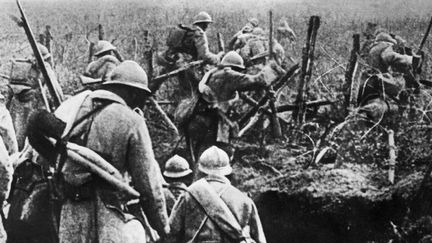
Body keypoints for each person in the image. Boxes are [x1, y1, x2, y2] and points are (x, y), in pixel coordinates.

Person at [27, 60, 170, 242]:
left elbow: (38, 127)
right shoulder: (132, 121)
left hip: (71, 215)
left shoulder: (77, 107)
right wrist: (162, 227)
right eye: (142, 96)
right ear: (132, 92)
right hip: (109, 218)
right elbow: (148, 186)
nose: (142, 102)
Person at [181, 51, 284, 158]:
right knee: (221, 154)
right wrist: (273, 67)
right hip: (216, 124)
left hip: (199, 118)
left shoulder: (212, 73)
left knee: (201, 152)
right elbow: (258, 80)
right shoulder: (229, 75)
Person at [166, 146, 266, 243]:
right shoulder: (245, 200)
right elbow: (259, 238)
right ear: (227, 170)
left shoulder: (188, 195)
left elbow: (171, 234)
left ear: (201, 169)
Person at [7, 43, 64, 150]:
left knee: (17, 135)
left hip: (18, 106)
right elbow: (55, 90)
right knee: (31, 136)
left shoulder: (21, 67)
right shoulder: (44, 69)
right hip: (34, 105)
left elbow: (9, 92)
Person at [153, 11, 223, 96]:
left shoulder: (186, 30)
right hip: (186, 65)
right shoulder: (200, 33)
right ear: (204, 24)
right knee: (198, 90)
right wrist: (217, 58)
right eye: (207, 24)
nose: (207, 27)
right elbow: (204, 55)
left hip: (172, 60)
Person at [357, 32, 421, 121]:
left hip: (365, 81)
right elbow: (390, 57)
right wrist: (411, 60)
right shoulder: (385, 46)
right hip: (378, 79)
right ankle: (402, 108)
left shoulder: (371, 49)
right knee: (400, 85)